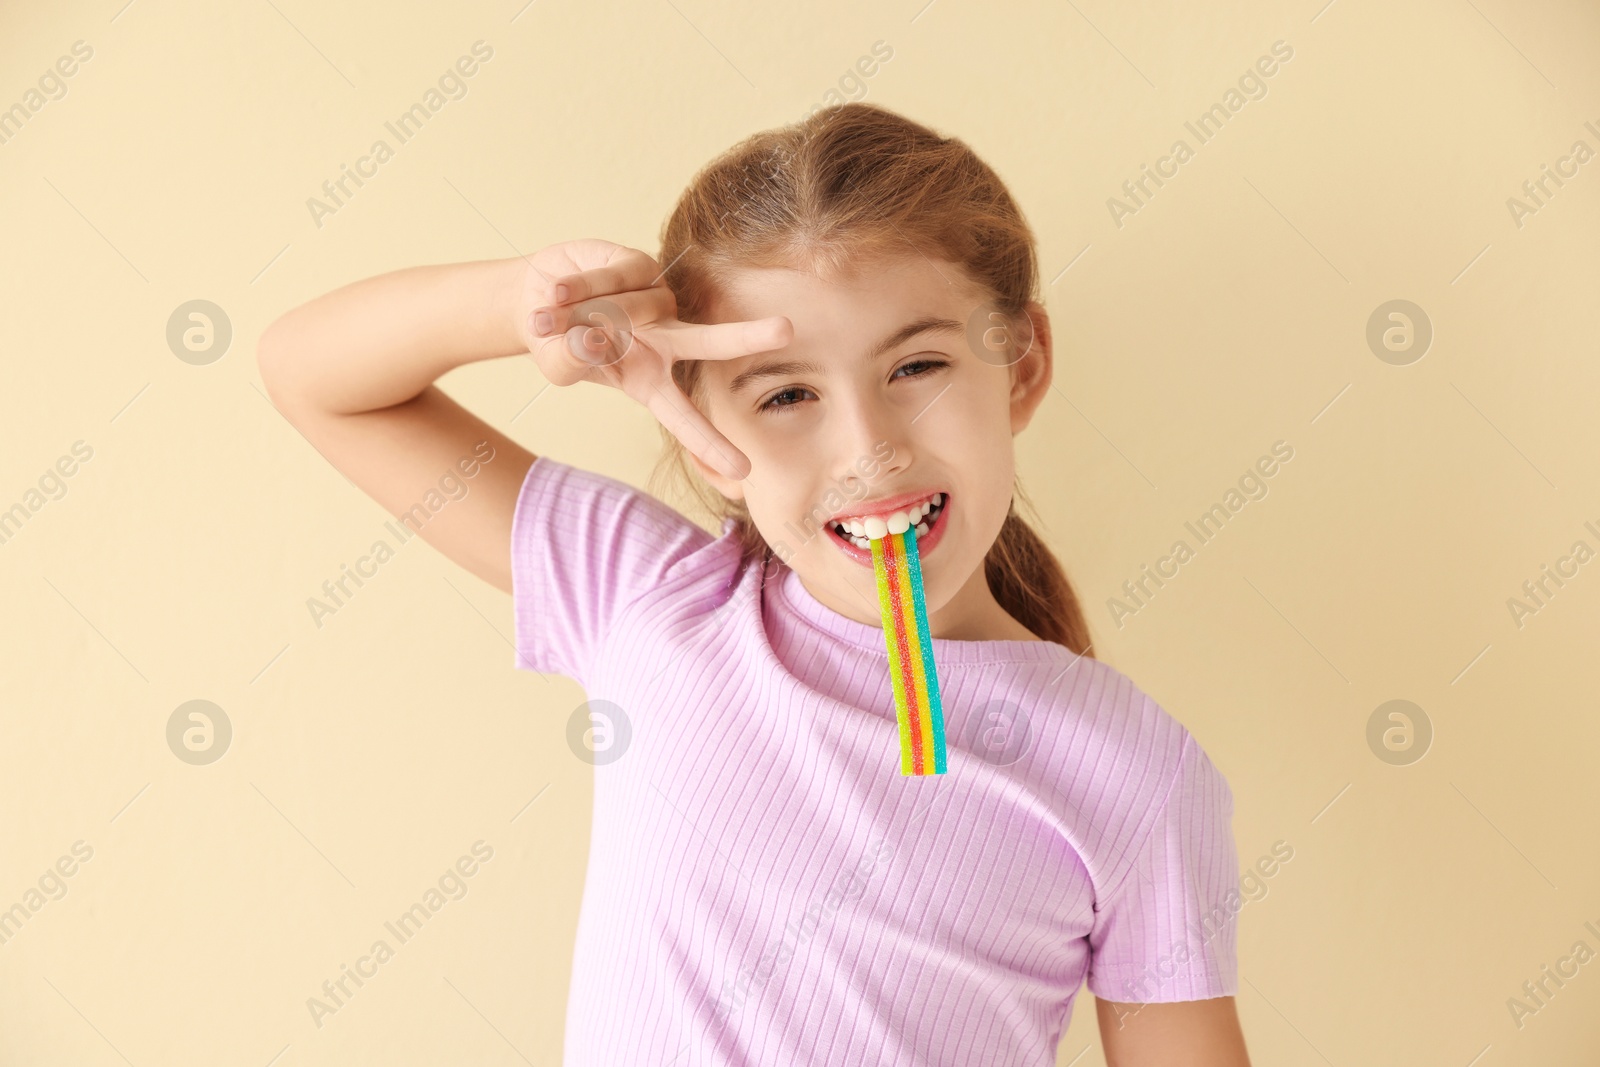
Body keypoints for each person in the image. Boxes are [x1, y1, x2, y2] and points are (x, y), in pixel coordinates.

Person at [258, 101, 1252, 1066]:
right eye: (785, 393)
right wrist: (521, 304)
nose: (869, 452)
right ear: (697, 422)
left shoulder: (1136, 774)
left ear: (1021, 365)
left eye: (915, 366)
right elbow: (316, 376)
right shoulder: (650, 599)